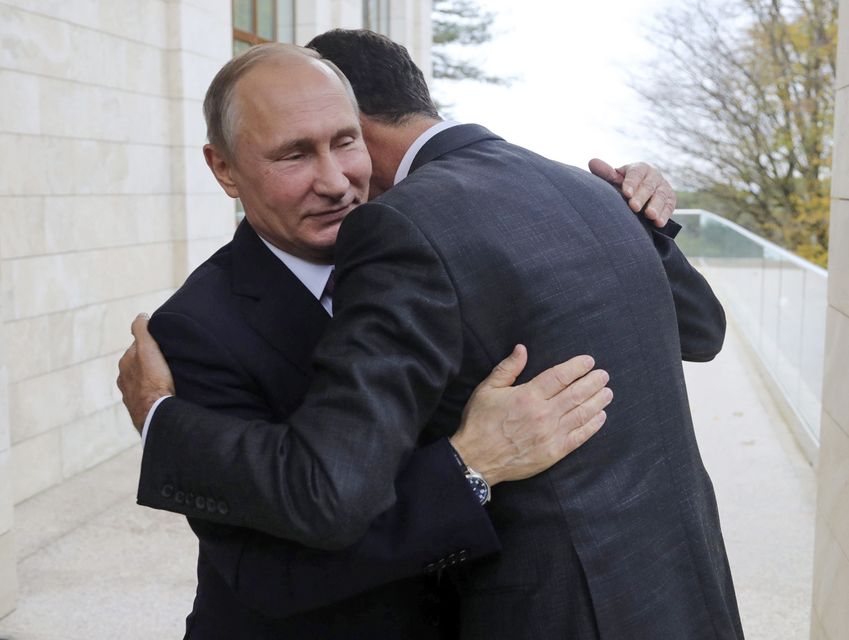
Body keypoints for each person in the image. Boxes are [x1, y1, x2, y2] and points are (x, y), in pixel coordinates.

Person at [118, 34, 741, 639]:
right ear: (223, 169)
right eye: (294, 155)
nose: (336, 180)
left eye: (346, 142)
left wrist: (641, 222)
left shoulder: (431, 243)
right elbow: (271, 573)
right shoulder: (194, 332)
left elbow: (696, 328)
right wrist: (472, 465)